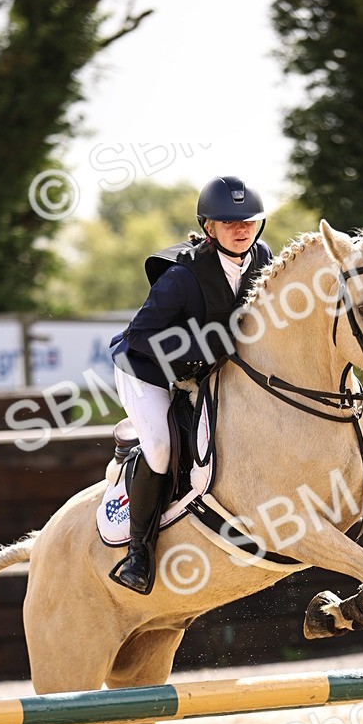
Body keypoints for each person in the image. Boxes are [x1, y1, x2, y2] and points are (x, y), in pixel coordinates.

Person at [109, 175, 272, 594]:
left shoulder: (263, 259)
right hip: (145, 369)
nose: (241, 230)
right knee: (162, 448)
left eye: (249, 222)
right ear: (208, 228)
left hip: (203, 368)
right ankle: (138, 554)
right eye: (228, 222)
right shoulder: (182, 277)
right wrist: (196, 356)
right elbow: (140, 335)